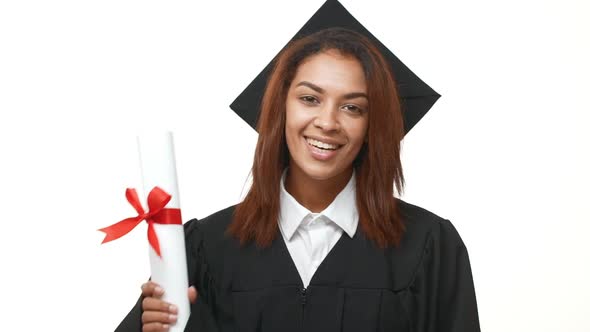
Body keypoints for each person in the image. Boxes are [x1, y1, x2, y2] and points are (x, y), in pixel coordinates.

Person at [116, 28, 480, 332]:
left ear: (372, 126)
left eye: (353, 107)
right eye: (309, 98)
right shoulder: (205, 248)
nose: (327, 121)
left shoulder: (428, 247)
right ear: (281, 107)